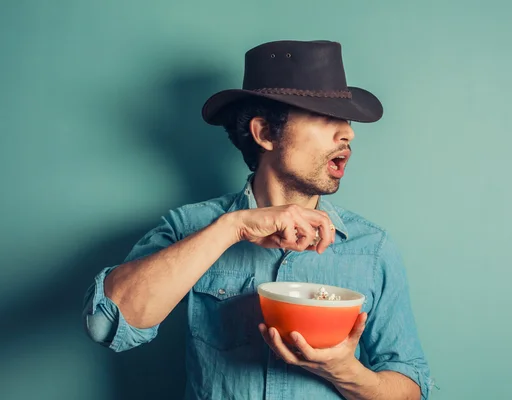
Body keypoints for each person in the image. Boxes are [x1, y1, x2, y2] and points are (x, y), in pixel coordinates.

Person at [83, 40, 431, 400]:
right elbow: (105, 322)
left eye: (345, 119)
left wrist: (345, 371)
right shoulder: (191, 226)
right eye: (324, 117)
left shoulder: (372, 249)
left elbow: (411, 387)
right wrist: (233, 228)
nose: (348, 133)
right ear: (264, 132)